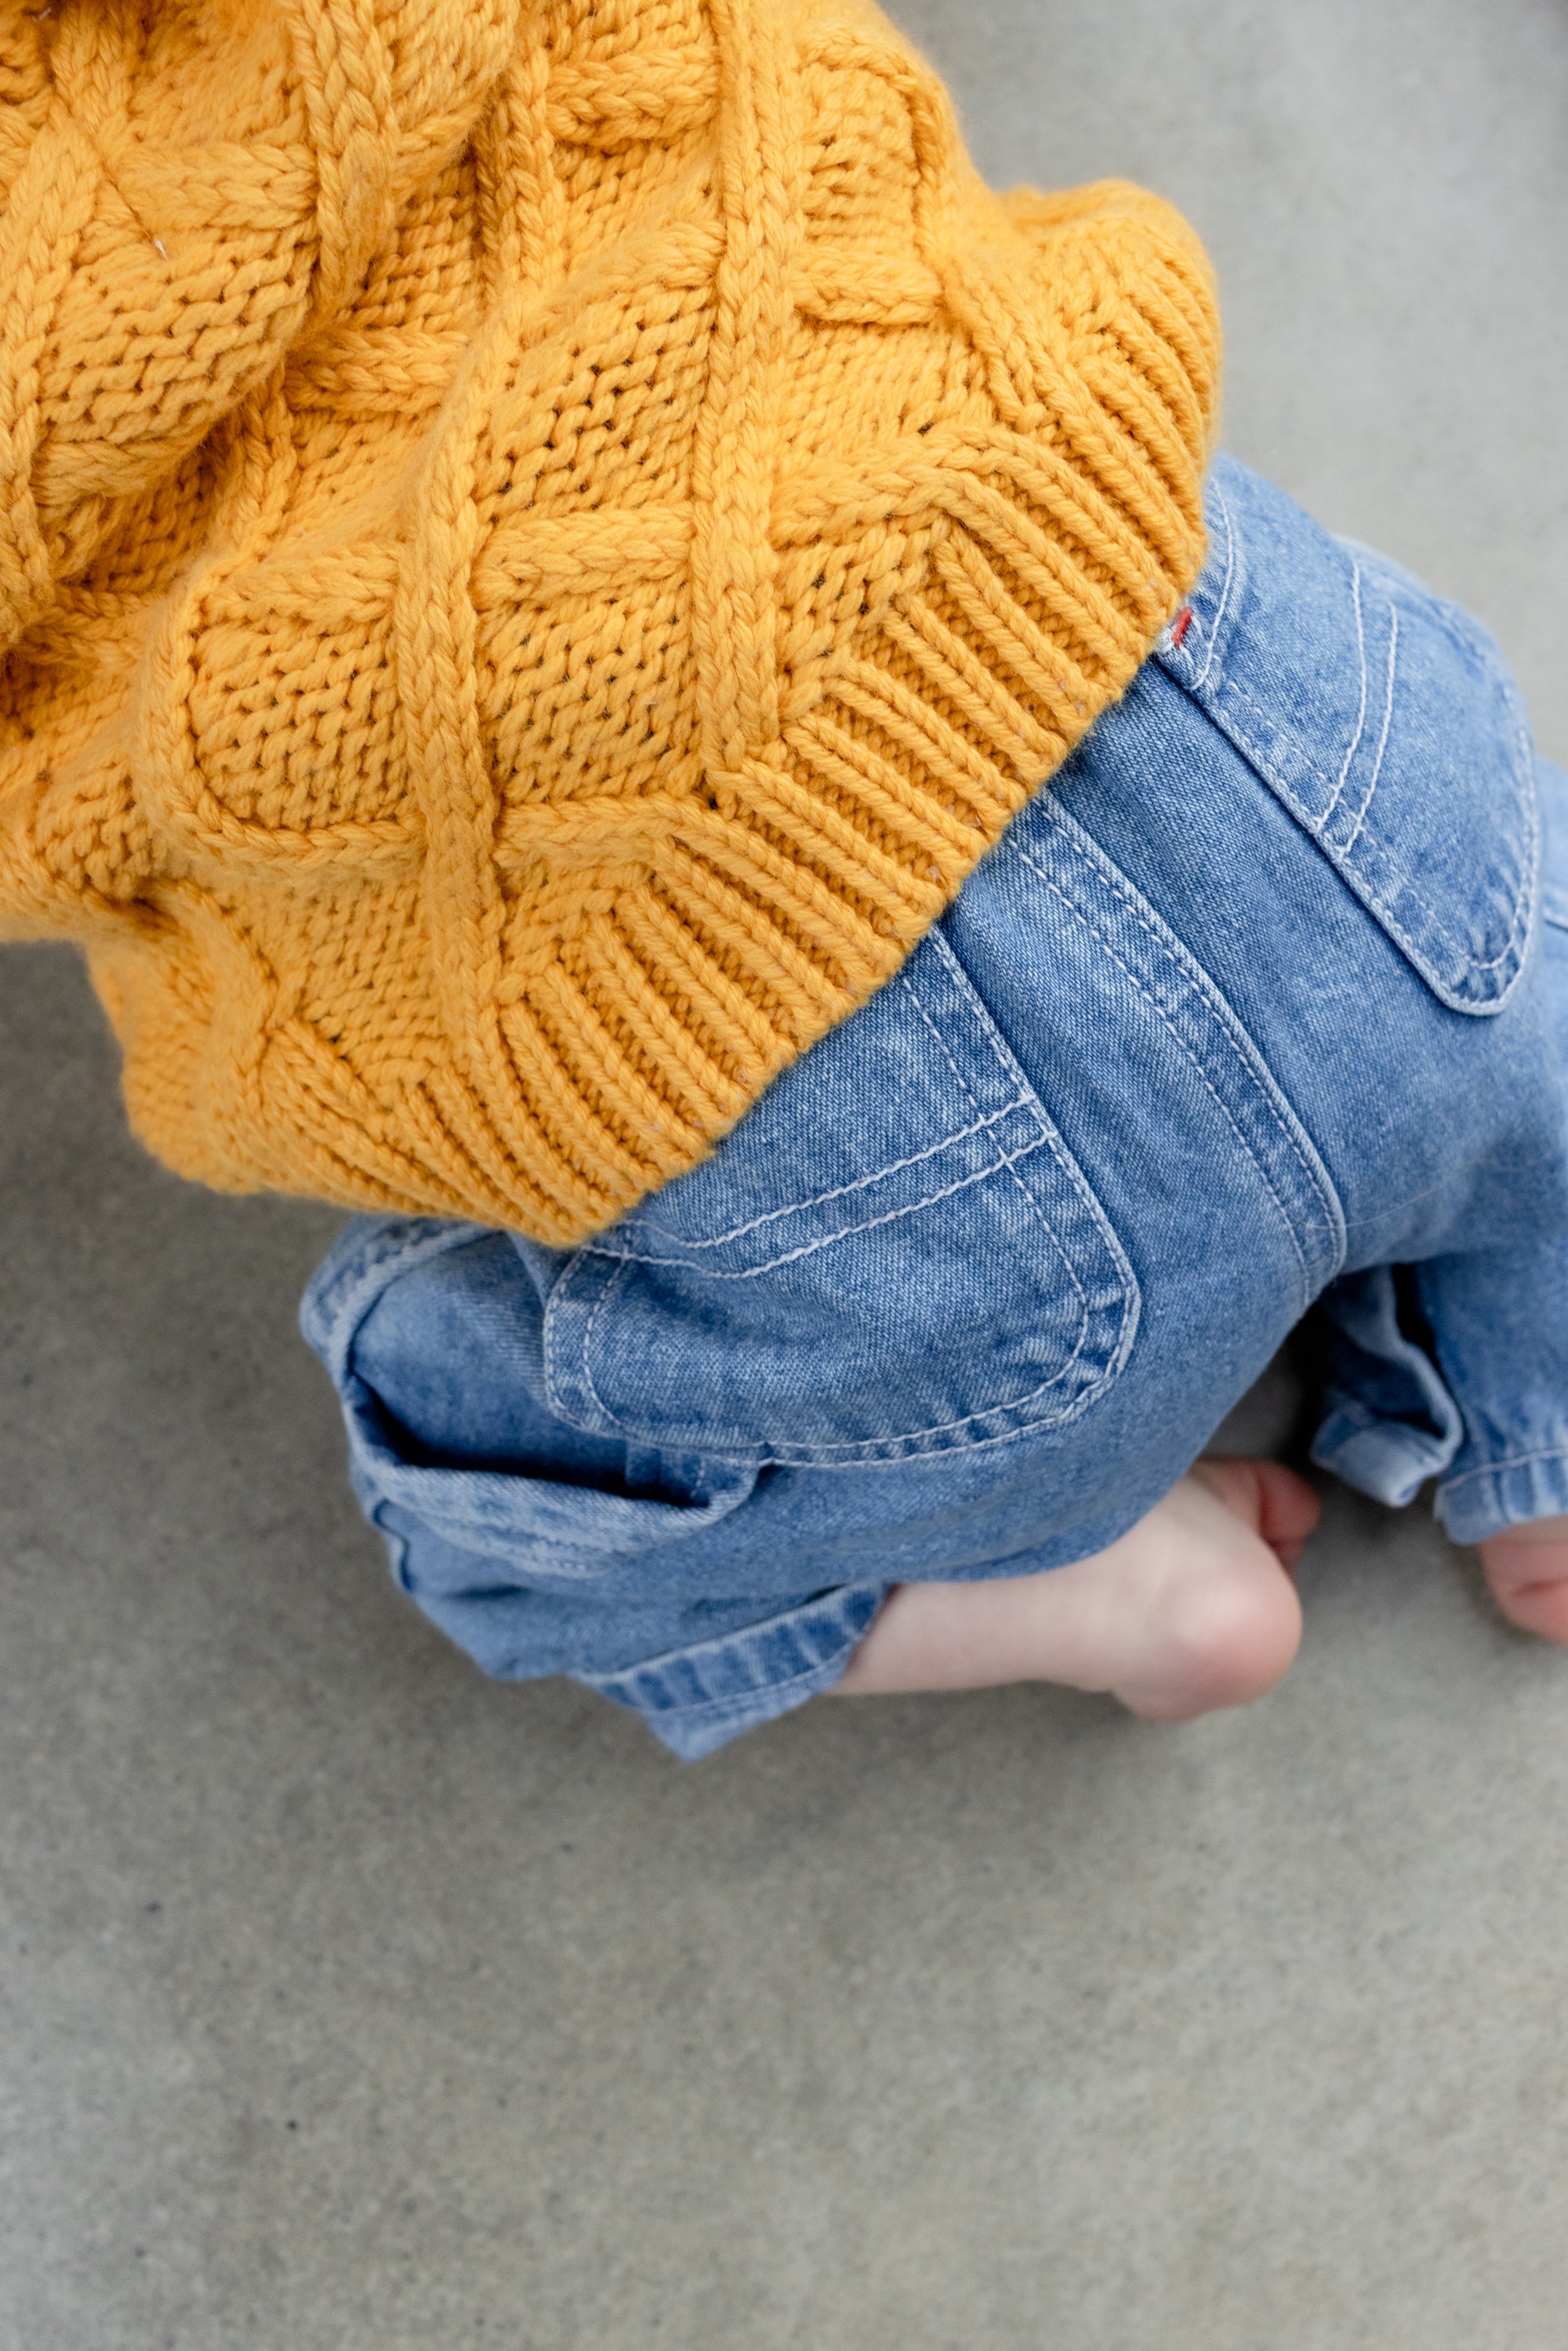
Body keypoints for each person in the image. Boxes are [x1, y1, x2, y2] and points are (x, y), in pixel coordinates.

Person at [5, 0, 1567, 1758]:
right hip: (1272, 723)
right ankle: (1544, 1391)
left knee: (475, 1508)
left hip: (896, 1236)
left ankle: (1071, 1586)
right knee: (1525, 949)